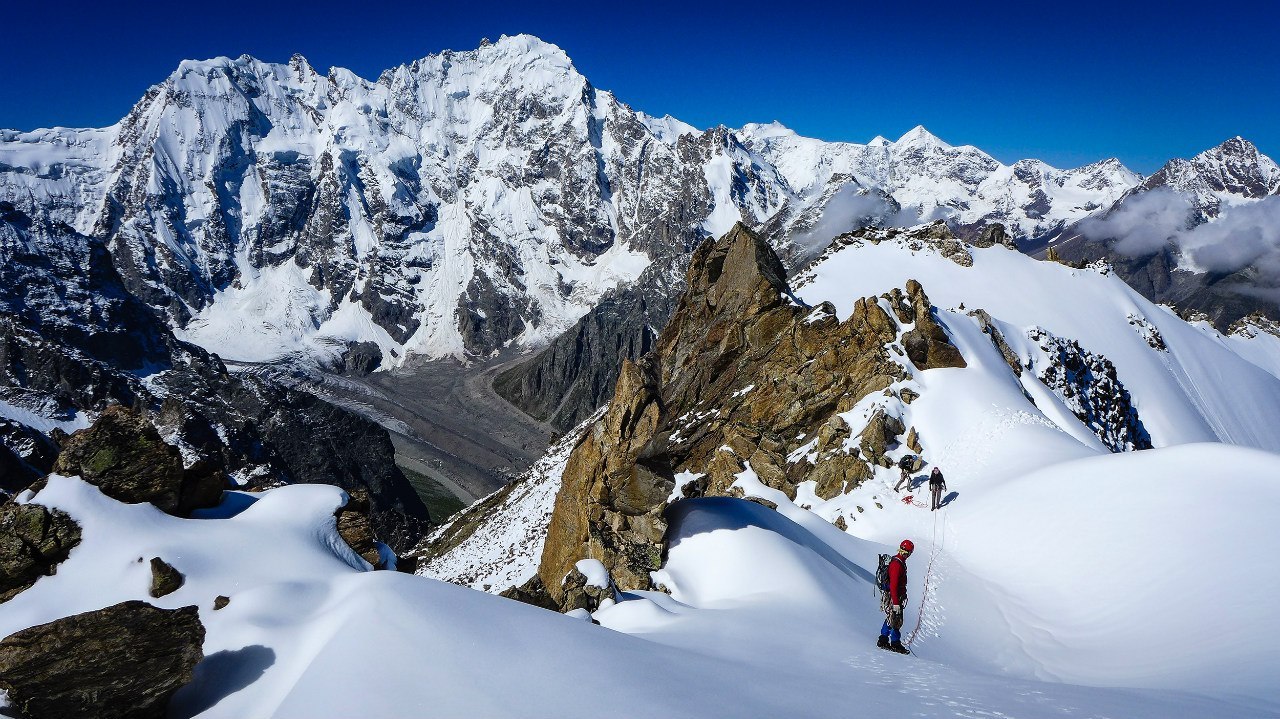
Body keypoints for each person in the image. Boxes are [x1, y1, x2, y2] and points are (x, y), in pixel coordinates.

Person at [877, 539, 913, 654]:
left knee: (890, 617)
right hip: (895, 596)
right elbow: (893, 585)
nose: (908, 555)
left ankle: (883, 639)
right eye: (909, 552)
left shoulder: (898, 561)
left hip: (896, 595)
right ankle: (895, 642)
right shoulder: (897, 564)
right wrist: (896, 602)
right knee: (896, 620)